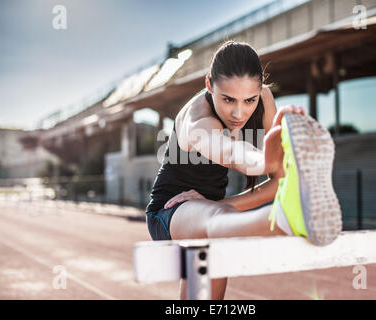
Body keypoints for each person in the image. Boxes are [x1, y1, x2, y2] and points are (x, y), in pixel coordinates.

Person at [145, 41, 342, 299]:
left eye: (249, 100)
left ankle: (283, 211)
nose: (239, 113)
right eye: (228, 99)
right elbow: (229, 152)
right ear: (208, 85)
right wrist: (264, 161)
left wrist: (279, 164)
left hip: (218, 216)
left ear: (260, 90)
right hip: (169, 211)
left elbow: (278, 183)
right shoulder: (196, 120)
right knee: (217, 218)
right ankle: (281, 219)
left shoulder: (265, 100)